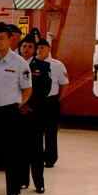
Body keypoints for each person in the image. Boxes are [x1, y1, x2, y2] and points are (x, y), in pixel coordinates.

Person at [0, 22, 32, 195]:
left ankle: (12, 191)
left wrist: (16, 105)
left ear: (10, 39)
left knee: (12, 154)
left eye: (1, 38)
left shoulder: (19, 63)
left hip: (9, 113)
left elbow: (27, 89)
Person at [18, 34, 51, 193]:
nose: (26, 49)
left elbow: (45, 90)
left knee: (36, 150)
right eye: (24, 46)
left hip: (34, 114)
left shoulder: (42, 67)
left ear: (35, 49)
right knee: (20, 149)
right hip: (17, 113)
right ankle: (22, 180)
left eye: (30, 46)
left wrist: (30, 106)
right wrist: (18, 105)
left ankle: (39, 182)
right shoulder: (14, 63)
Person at [36, 38, 68, 168]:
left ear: (49, 49)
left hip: (51, 101)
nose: (39, 50)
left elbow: (64, 84)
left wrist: (57, 97)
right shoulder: (32, 64)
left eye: (42, 47)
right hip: (37, 102)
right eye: (38, 48)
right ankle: (37, 156)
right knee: (36, 131)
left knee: (50, 131)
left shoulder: (57, 65)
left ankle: (50, 158)